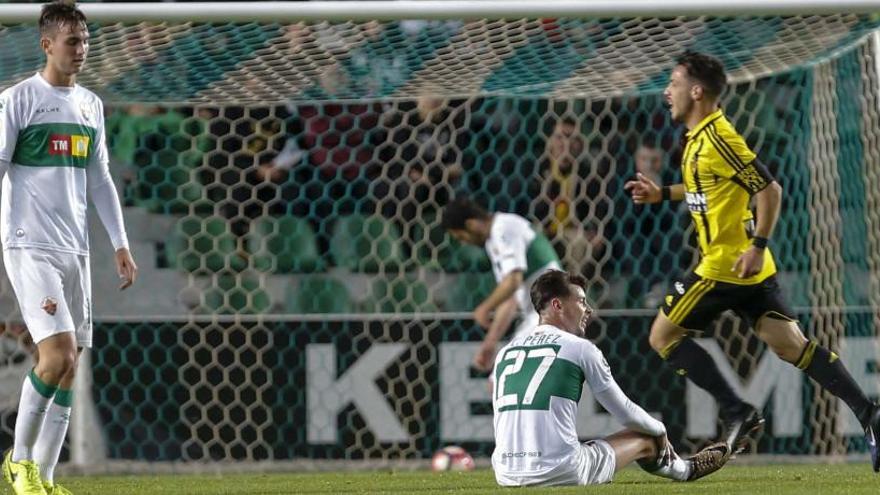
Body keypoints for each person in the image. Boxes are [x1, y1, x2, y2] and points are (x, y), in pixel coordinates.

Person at [624, 51, 880, 468]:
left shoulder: (720, 139)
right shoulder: (700, 138)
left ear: (696, 91)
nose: (666, 92)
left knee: (662, 337)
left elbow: (770, 190)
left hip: (725, 265)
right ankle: (869, 414)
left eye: (673, 82)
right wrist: (661, 194)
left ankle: (737, 411)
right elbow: (707, 187)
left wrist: (757, 242)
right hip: (752, 270)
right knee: (792, 346)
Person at [0, 3, 138, 494]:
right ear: (46, 45)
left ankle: (47, 478)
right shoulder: (17, 100)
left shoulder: (90, 105)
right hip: (29, 245)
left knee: (70, 364)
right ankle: (18, 464)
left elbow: (99, 180)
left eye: (84, 40)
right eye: (71, 41)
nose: (81, 50)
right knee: (55, 355)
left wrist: (119, 243)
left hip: (74, 250)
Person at [491, 269, 730, 486]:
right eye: (582, 301)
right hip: (560, 471)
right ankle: (686, 469)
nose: (589, 309)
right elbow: (624, 412)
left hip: (505, 473)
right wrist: (659, 429)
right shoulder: (579, 348)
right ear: (558, 305)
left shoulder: (505, 352)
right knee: (645, 435)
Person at [442, 197, 560, 372]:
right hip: (539, 314)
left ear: (472, 225)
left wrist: (484, 308)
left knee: (511, 374)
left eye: (461, 236)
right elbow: (510, 299)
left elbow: (513, 281)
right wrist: (490, 343)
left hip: (552, 309)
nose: (463, 242)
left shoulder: (503, 228)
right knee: (503, 377)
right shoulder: (494, 241)